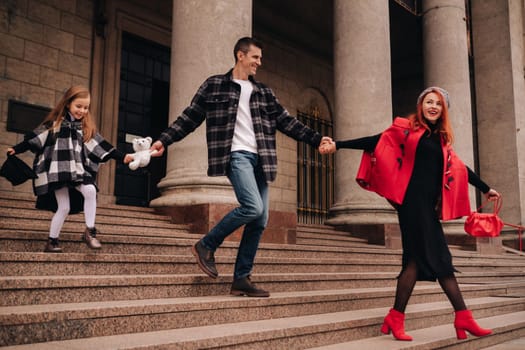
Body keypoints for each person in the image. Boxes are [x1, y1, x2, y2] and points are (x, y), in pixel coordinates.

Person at [149, 37, 332, 297]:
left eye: (260, 58)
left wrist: (316, 139)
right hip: (236, 156)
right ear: (240, 56)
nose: (259, 62)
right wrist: (164, 140)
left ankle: (241, 279)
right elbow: (189, 117)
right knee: (253, 206)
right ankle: (206, 245)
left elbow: (287, 122)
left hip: (262, 160)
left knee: (260, 220)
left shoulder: (264, 93)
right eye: (256, 57)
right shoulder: (214, 86)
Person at [320, 87, 499, 341]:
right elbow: (375, 141)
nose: (433, 106)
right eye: (429, 102)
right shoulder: (406, 129)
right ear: (421, 105)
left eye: (438, 103)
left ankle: (396, 316)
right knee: (440, 259)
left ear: (443, 110)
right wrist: (338, 145)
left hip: (427, 207)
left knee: (415, 263)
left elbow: (461, 169)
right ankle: (463, 317)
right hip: (411, 205)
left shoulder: (442, 141)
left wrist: (485, 188)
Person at [7, 86, 133, 253]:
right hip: (58, 172)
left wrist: (123, 157)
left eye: (86, 107)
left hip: (79, 170)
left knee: (90, 190)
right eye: (78, 106)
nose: (82, 110)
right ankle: (52, 241)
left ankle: (90, 231)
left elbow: (103, 147)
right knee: (64, 207)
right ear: (68, 104)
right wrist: (16, 149)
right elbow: (34, 139)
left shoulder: (86, 129)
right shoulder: (54, 126)